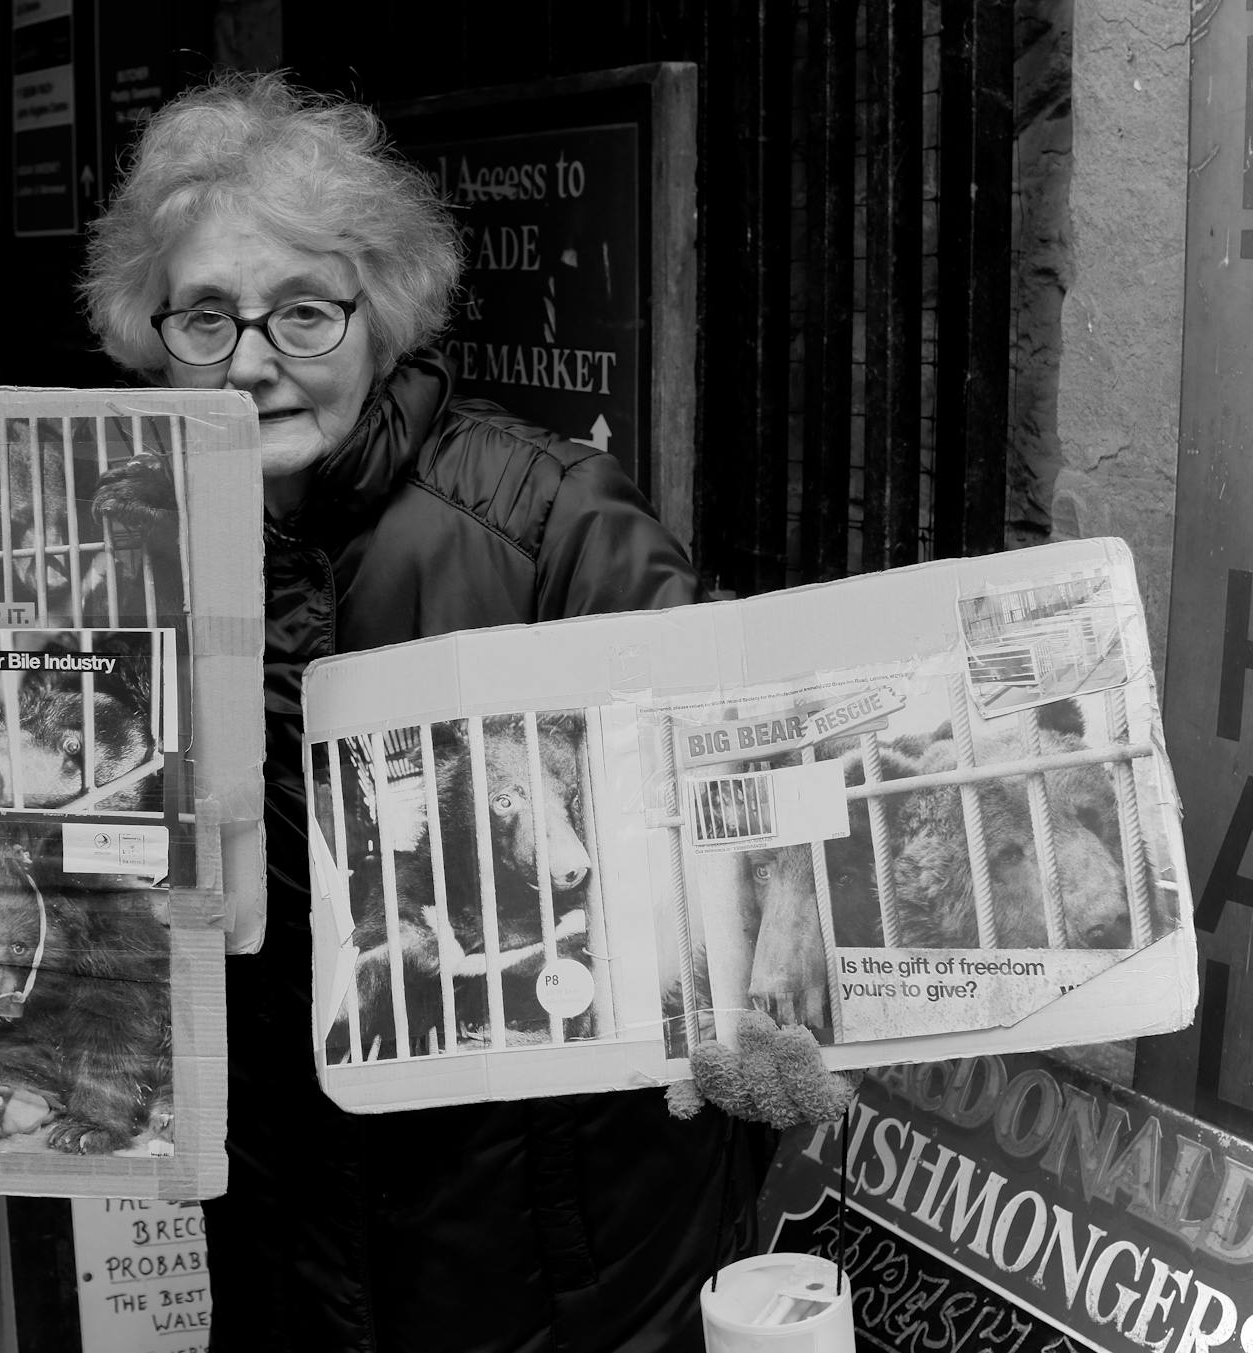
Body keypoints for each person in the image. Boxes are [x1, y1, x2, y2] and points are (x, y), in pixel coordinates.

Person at [79, 73, 849, 1351]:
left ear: (380, 319)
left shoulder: (551, 521)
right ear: (148, 332)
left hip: (555, 1260)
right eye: (206, 316)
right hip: (283, 1231)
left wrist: (775, 1008)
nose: (256, 361)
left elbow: (743, 831)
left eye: (305, 313)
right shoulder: (116, 551)